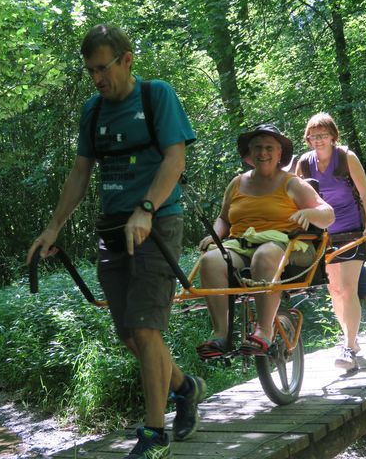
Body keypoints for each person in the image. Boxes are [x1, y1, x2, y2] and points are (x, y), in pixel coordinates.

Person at [26, 24, 204, 459]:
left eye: (102, 69)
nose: (97, 79)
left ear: (126, 60)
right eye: (90, 71)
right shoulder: (93, 110)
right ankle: (185, 387)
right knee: (130, 334)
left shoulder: (157, 95)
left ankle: (154, 435)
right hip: (112, 229)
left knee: (146, 328)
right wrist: (53, 227)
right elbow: (80, 172)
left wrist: (145, 208)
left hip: (158, 223)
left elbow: (175, 159)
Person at [196, 124, 334, 358]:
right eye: (258, 147)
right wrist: (216, 235)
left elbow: (328, 214)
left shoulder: (291, 183)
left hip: (287, 244)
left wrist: (310, 214)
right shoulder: (237, 183)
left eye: (269, 147)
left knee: (264, 255)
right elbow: (223, 219)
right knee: (210, 260)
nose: (263, 153)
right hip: (241, 243)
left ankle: (264, 330)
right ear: (249, 153)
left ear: (280, 153)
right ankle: (221, 334)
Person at [296, 112, 366, 371]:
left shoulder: (346, 158)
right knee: (334, 290)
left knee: (347, 287)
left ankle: (349, 344)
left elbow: (365, 193)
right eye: (313, 136)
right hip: (323, 234)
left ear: (333, 137)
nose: (318, 140)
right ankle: (349, 338)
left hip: (352, 230)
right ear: (308, 140)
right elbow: (296, 197)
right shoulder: (304, 164)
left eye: (323, 135)